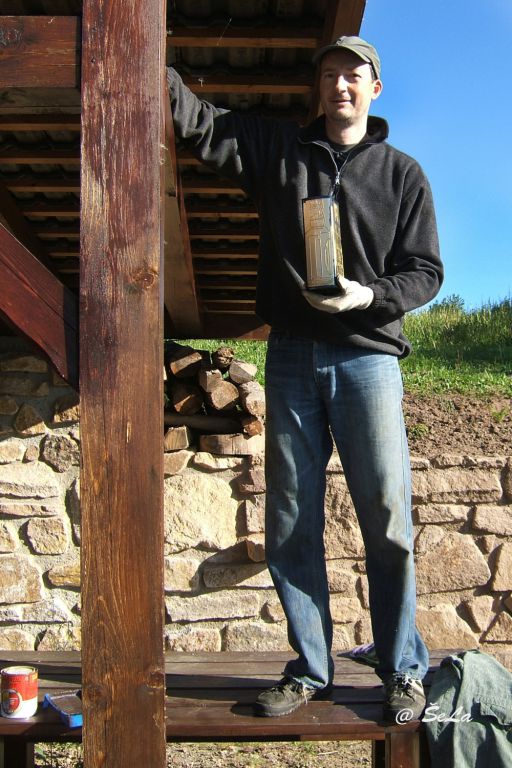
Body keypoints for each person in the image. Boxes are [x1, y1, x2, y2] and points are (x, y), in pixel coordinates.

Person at [167, 35, 443, 723]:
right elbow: (202, 125)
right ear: (318, 88)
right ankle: (311, 669)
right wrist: (149, 62)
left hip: (368, 358)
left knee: (387, 516)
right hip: (291, 354)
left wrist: (368, 296)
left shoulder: (402, 173)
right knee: (290, 518)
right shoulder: (278, 151)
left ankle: (402, 668)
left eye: (353, 75)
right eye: (329, 75)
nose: (340, 85)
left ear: (374, 88)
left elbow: (425, 271)